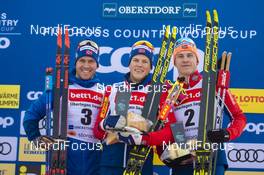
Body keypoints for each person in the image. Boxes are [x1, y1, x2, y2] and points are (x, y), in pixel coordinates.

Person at [116, 37, 247, 175]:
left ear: (197, 60)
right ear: (175, 62)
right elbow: (166, 126)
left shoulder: (212, 85)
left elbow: (239, 117)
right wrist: (166, 154)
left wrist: (227, 134)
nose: (185, 60)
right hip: (183, 159)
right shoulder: (169, 92)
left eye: (190, 55)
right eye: (180, 56)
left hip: (212, 156)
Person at [23, 40, 104, 175]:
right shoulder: (60, 89)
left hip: (95, 159)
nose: (86, 65)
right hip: (64, 158)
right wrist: (35, 138)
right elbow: (31, 115)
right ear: (76, 62)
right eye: (82, 60)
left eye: (91, 61)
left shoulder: (104, 91)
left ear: (97, 64)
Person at [93, 40, 155, 175]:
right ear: (129, 63)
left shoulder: (156, 92)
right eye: (136, 60)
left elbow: (164, 128)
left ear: (151, 67)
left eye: (145, 61)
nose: (139, 65)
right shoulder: (112, 90)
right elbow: (97, 132)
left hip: (141, 162)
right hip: (111, 163)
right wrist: (105, 123)